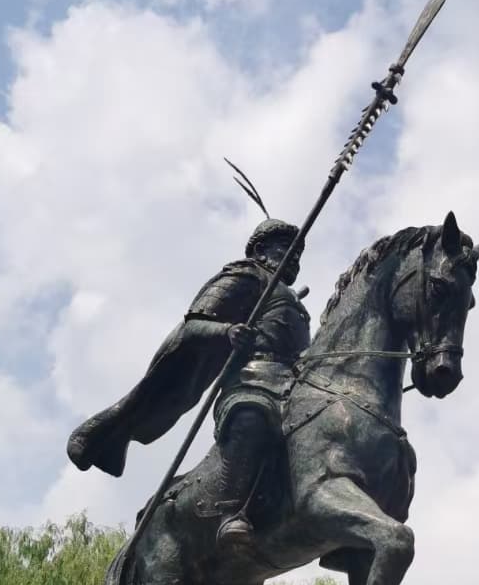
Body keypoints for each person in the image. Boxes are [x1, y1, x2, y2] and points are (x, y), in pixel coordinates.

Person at [67, 218, 310, 548]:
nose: (294, 258)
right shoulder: (245, 276)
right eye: (287, 250)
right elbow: (192, 326)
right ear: (260, 251)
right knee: (252, 417)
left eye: (298, 254)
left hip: (292, 386)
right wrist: (226, 332)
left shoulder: (295, 302)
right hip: (250, 384)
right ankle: (231, 511)